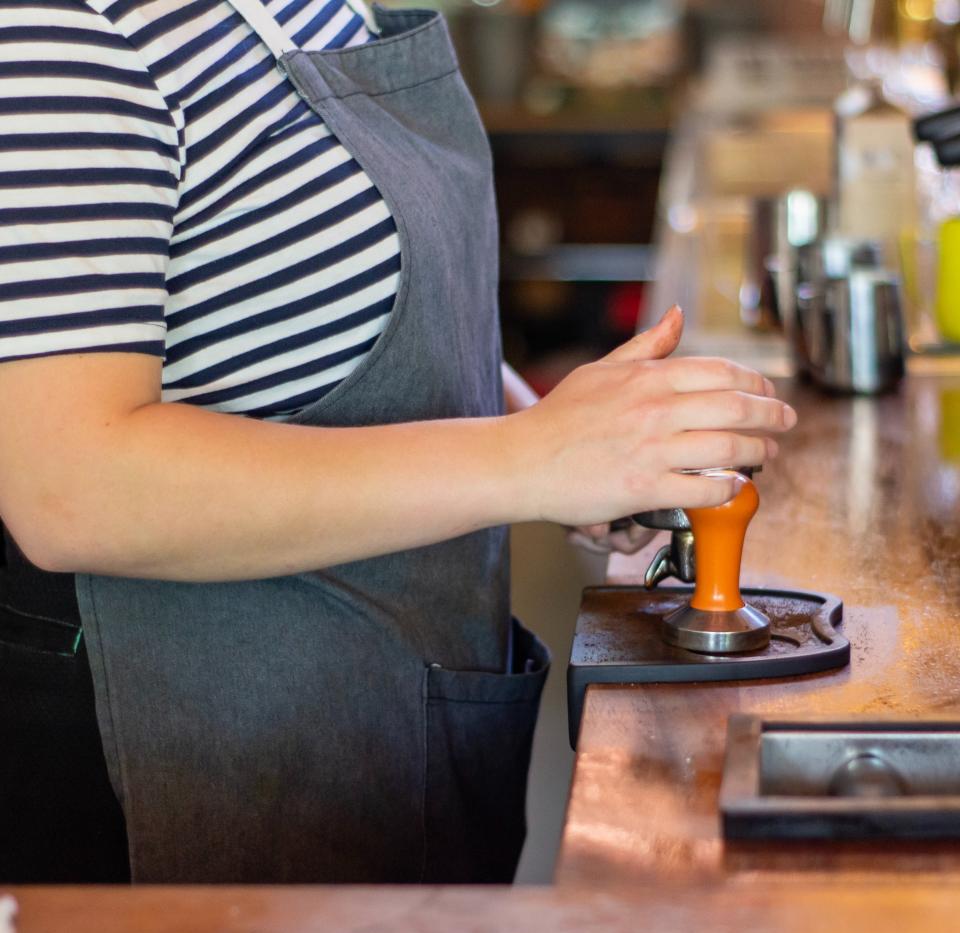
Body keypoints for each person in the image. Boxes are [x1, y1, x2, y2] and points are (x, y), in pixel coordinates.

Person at [0, 0, 796, 884]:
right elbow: (71, 485)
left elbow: (317, 305)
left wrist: (567, 435)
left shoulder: (332, 11)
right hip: (194, 762)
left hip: (391, 718)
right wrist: (528, 459)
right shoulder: (63, 34)